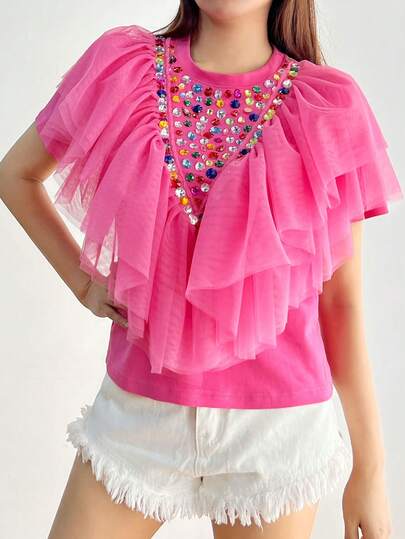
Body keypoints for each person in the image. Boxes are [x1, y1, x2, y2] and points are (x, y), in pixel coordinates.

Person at [0, 0, 402, 537]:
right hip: (139, 415)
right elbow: (16, 175)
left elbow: (342, 304)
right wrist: (83, 283)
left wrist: (370, 470)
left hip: (275, 431)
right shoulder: (123, 68)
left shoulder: (328, 106)